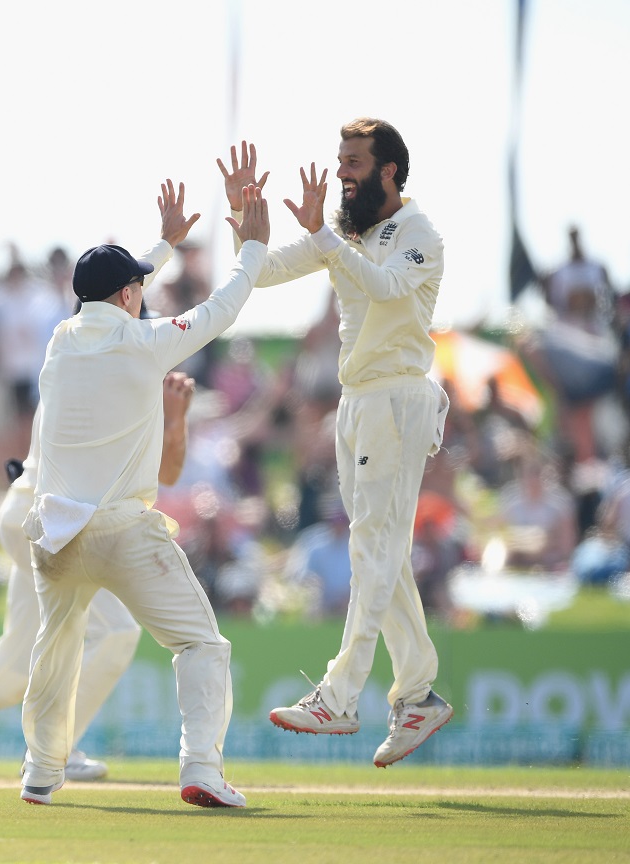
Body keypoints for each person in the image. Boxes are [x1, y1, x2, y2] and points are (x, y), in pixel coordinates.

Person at [16, 178, 269, 809]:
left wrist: (161, 246)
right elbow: (223, 309)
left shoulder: (60, 341)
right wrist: (254, 247)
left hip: (56, 531)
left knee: (58, 646)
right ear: (132, 296)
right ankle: (201, 769)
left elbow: (107, 295)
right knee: (202, 645)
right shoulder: (147, 342)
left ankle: (41, 772)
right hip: (123, 531)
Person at [217, 121, 453, 767]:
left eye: (354, 162)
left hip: (397, 398)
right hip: (357, 404)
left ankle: (340, 696)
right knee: (380, 552)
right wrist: (245, 219)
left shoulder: (418, 234)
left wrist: (324, 235)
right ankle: (419, 696)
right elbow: (261, 274)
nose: (342, 172)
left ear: (389, 171)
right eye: (339, 160)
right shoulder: (345, 232)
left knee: (375, 549)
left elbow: (384, 290)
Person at [0, 370, 195, 782]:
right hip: (48, 524)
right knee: (115, 632)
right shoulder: (90, 368)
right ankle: (54, 750)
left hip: (55, 526)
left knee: (12, 671)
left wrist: (174, 418)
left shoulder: (124, 373)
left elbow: (165, 475)